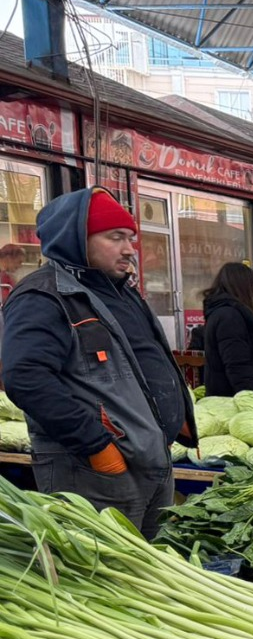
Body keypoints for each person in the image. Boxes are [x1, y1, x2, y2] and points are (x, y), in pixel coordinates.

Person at [0, 187, 195, 538]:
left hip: (151, 464)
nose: (128, 249)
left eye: (130, 238)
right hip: (95, 474)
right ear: (75, 239)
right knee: (110, 582)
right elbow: (26, 377)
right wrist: (97, 448)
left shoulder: (120, 291)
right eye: (115, 237)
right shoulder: (41, 297)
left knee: (154, 579)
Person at [201, 262, 253, 402]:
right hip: (236, 403)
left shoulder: (225, 314)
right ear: (243, 287)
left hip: (234, 400)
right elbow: (238, 367)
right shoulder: (229, 317)